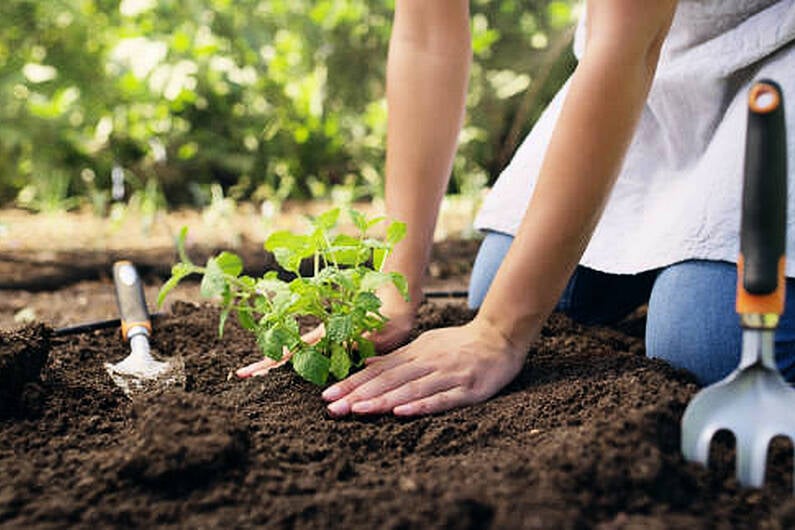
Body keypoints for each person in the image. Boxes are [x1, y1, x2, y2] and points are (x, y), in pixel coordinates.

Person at [237, 0, 795, 416]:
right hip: (671, 58)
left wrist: (501, 333)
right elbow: (427, 35)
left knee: (705, 343)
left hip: (772, 47)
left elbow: (627, 44)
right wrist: (394, 286)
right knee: (507, 287)